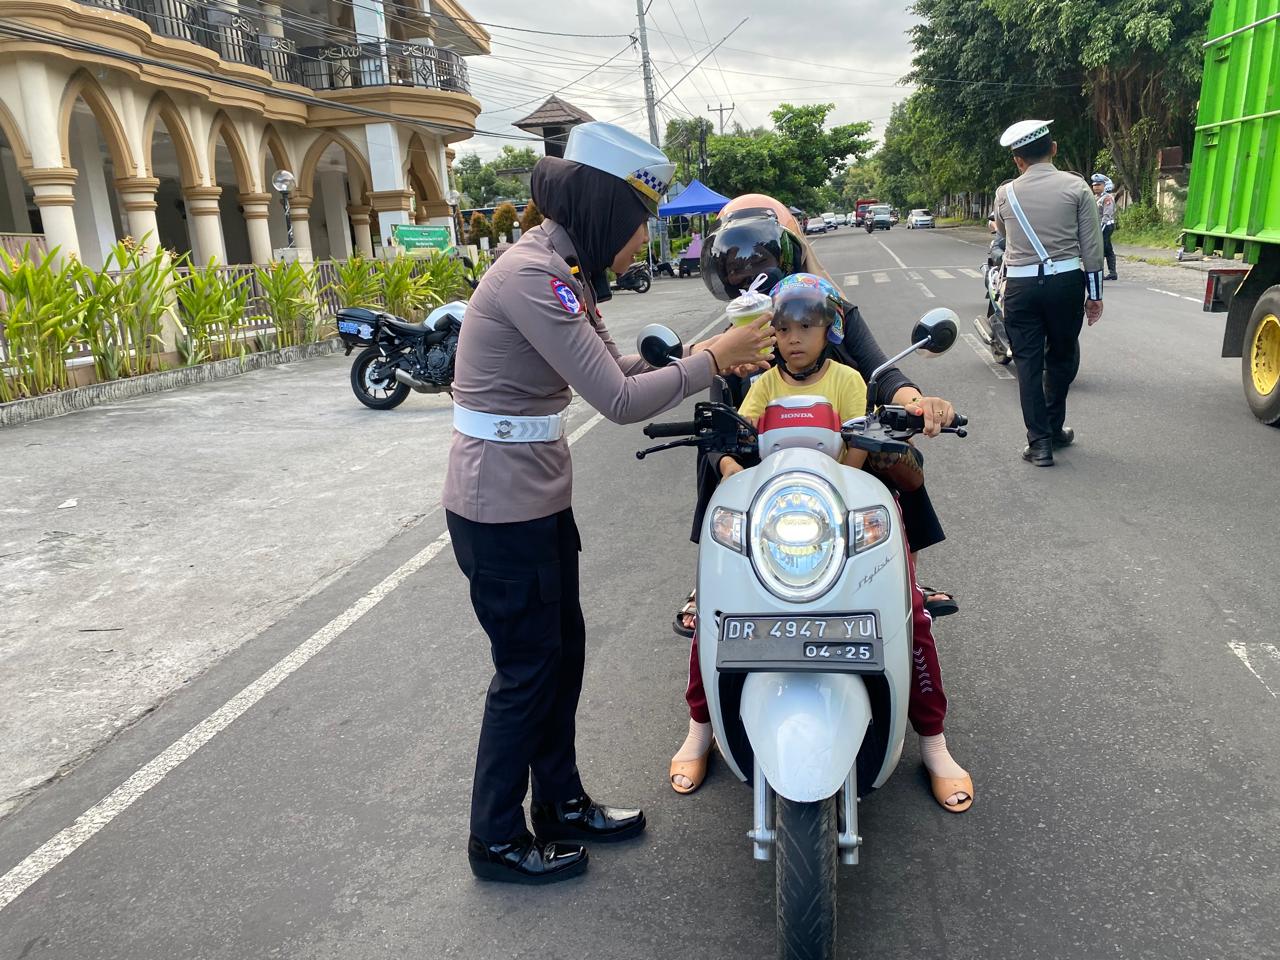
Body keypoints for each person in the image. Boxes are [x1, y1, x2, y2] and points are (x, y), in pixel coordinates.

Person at [443, 122, 776, 885]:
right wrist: (710, 361)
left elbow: (614, 364)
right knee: (527, 671)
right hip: (499, 508)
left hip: (532, 498)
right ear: (605, 214)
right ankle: (495, 839)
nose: (640, 244)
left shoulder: (564, 271)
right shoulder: (535, 276)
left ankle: (559, 803)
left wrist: (701, 356)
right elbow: (619, 400)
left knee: (560, 658)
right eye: (637, 226)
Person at [671, 271, 973, 813]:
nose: (793, 339)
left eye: (806, 327)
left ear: (829, 330)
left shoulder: (849, 380)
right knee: (715, 615)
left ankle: (934, 742)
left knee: (911, 614)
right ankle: (699, 727)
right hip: (776, 516)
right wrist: (730, 465)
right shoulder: (764, 384)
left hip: (845, 512)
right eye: (784, 329)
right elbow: (737, 434)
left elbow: (858, 445)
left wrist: (852, 466)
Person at [672, 195, 958, 641]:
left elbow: (883, 372)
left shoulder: (836, 311)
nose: (747, 272)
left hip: (844, 451)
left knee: (894, 446)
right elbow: (717, 403)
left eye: (761, 256)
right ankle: (707, 576)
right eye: (734, 262)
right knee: (712, 434)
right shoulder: (736, 334)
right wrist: (725, 368)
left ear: (791, 249)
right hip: (764, 450)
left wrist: (919, 404)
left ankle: (905, 574)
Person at [993, 120, 1105, 467]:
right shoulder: (1078, 187)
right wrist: (1095, 295)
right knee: (1062, 357)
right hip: (1065, 285)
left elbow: (1002, 234)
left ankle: (1039, 444)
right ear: (1053, 149)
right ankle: (1055, 428)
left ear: (1017, 160)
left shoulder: (1004, 193)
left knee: (1028, 364)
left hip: (1021, 288)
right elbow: (1092, 247)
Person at [1091, 173, 1118, 280]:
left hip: (1106, 226)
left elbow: (1107, 214)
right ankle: (1112, 273)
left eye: (1099, 185)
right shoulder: (1095, 198)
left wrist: (1101, 229)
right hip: (1098, 226)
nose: (1096, 187)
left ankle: (1101, 273)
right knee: (1107, 249)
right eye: (1094, 185)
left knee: (1101, 250)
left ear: (1105, 185)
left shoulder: (1107, 198)